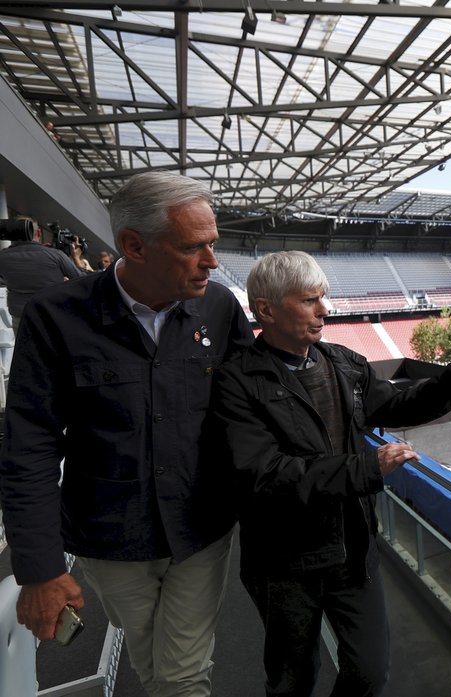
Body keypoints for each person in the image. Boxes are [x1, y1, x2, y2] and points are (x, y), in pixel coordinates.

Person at [0, 171, 254, 697]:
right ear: (133, 246)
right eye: (193, 248)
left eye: (213, 244)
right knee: (154, 665)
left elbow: (255, 407)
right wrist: (40, 568)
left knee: (182, 674)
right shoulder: (55, 318)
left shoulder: (221, 307)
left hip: (200, 527)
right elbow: (28, 448)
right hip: (109, 538)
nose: (212, 261)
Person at [205, 251, 451, 697]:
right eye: (309, 300)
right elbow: (264, 475)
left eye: (323, 298)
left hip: (352, 549)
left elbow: (397, 404)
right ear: (265, 309)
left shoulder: (344, 363)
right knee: (292, 679)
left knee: (370, 672)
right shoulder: (236, 381)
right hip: (284, 564)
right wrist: (366, 468)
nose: (325, 310)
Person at [0, 216, 87, 334]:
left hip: (21, 316)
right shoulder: (56, 255)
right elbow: (81, 279)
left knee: (26, 351)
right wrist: (76, 258)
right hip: (53, 313)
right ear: (38, 232)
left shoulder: (3, 257)